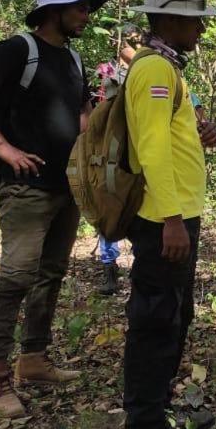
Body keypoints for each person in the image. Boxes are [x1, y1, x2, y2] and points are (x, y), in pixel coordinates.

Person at [0, 0, 107, 417]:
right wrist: (2, 145)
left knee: (50, 273)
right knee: (16, 276)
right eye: (80, 8)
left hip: (64, 186)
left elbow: (81, 114)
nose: (86, 16)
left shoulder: (72, 57)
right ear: (54, 11)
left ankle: (33, 359)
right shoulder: (18, 50)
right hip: (26, 188)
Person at [121, 0, 216, 429]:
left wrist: (197, 131)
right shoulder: (156, 70)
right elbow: (151, 149)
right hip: (166, 219)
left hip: (179, 213)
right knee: (156, 322)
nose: (202, 28)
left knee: (175, 317)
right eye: (194, 19)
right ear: (167, 20)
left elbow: (169, 135)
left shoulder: (171, 70)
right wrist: (170, 219)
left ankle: (161, 409)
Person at [92, 32, 139, 296]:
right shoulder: (105, 72)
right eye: (130, 42)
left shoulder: (148, 71)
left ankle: (139, 259)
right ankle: (109, 268)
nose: (135, 47)